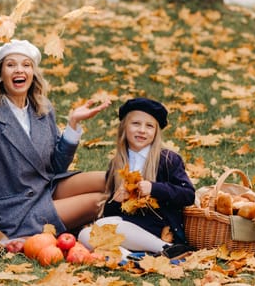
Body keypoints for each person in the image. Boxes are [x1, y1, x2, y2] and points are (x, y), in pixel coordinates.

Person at [0, 39, 111, 239]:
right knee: (98, 201)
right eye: (11, 64)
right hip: (13, 209)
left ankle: (157, 213)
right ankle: (123, 231)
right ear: (0, 75)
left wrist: (73, 125)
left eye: (26, 65)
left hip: (45, 189)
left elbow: (58, 168)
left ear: (33, 74)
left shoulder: (43, 108)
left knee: (111, 179)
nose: (19, 70)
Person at [78, 98, 196, 259]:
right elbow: (110, 214)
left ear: (156, 132)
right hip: (128, 229)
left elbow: (188, 194)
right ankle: (131, 258)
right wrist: (116, 201)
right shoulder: (117, 164)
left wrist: (154, 188)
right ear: (124, 128)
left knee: (105, 227)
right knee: (85, 235)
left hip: (159, 229)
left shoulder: (167, 159)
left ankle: (169, 247)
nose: (142, 130)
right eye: (136, 124)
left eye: (149, 126)